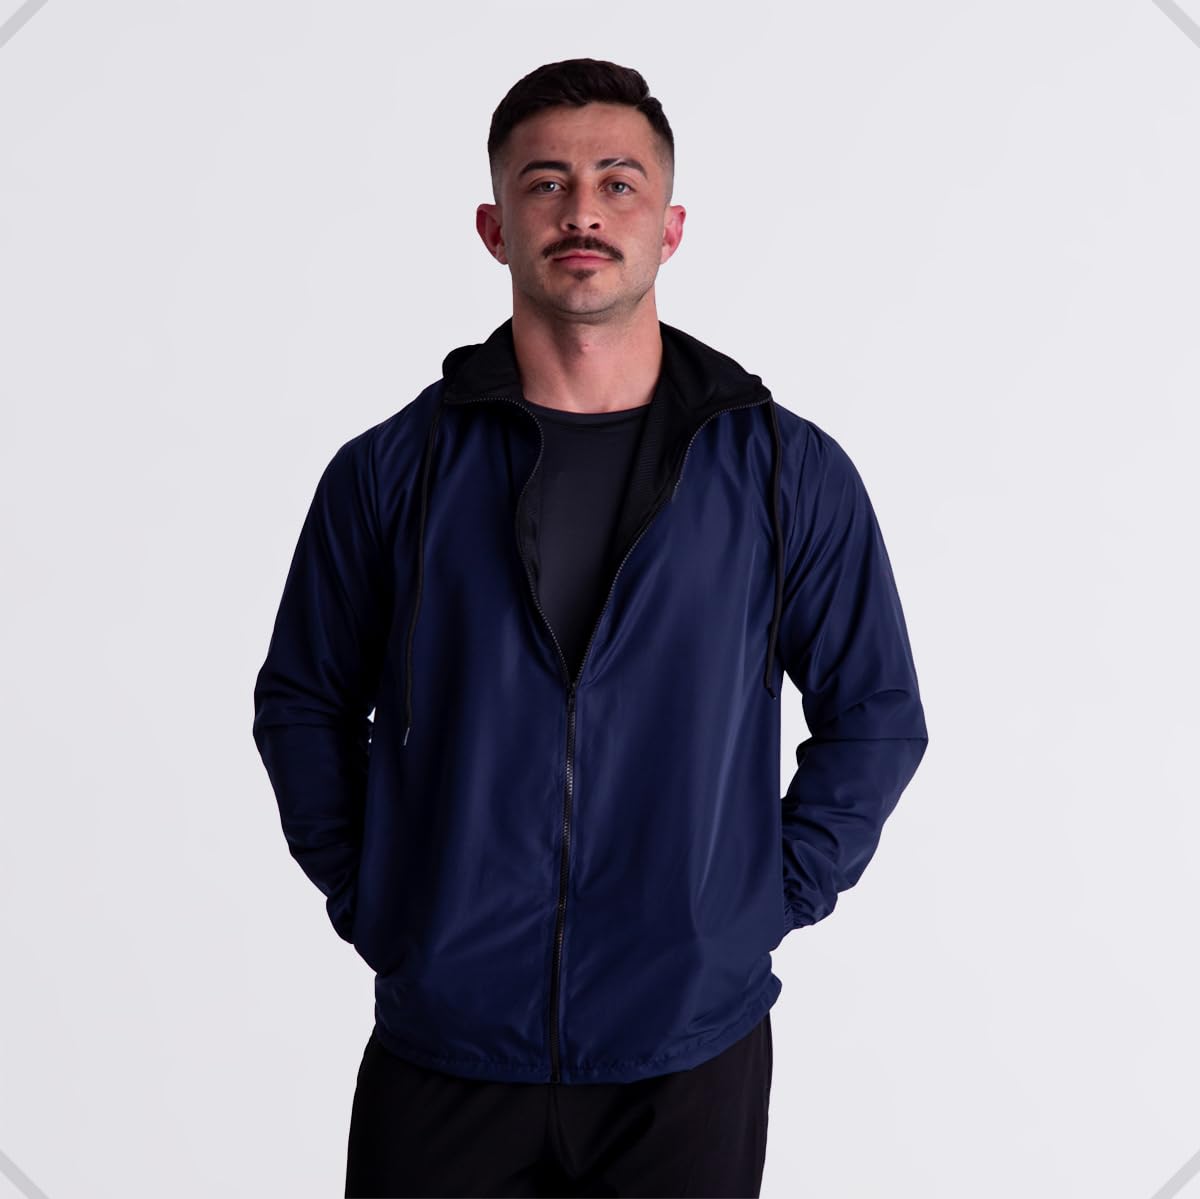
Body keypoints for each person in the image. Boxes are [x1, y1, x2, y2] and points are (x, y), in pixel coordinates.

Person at [252, 57, 929, 1199]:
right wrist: (383, 900)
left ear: (670, 227)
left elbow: (876, 716)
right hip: (447, 1044)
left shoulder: (782, 470)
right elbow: (304, 704)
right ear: (494, 227)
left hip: (687, 1052)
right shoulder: (391, 472)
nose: (582, 211)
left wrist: (757, 902)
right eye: (545, 183)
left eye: (619, 183)